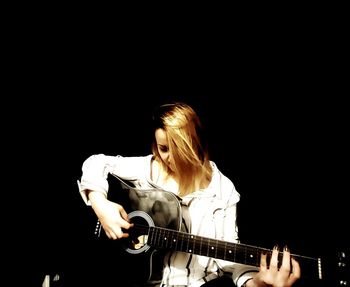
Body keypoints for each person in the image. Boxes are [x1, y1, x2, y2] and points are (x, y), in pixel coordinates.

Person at [77, 102, 301, 287]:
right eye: (163, 148)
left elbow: (228, 264)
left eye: (177, 149)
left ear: (194, 143)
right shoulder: (148, 168)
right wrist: (100, 204)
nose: (168, 158)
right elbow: (96, 162)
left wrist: (261, 282)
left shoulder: (223, 190)